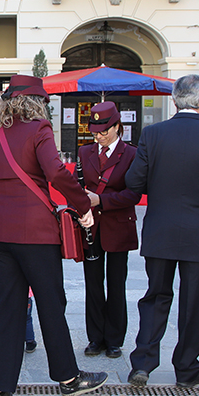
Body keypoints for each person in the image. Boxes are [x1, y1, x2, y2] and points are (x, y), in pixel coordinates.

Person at [0, 75, 106, 396]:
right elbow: (57, 173)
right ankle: (68, 378)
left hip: (1, 236)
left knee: (5, 308)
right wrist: (83, 205)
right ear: (36, 103)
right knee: (50, 303)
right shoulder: (40, 130)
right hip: (36, 233)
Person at [125, 74, 199, 388]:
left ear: (174, 100)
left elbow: (134, 182)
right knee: (194, 303)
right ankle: (187, 367)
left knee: (155, 298)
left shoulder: (154, 134)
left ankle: (143, 364)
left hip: (160, 229)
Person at [76, 103, 140, 359]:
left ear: (117, 127)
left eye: (104, 131)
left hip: (118, 226)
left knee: (116, 284)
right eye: (95, 132)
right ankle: (95, 337)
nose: (99, 136)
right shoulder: (85, 152)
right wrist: (82, 207)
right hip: (91, 226)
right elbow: (78, 187)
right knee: (92, 284)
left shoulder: (132, 154)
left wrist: (101, 201)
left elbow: (134, 193)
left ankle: (114, 339)